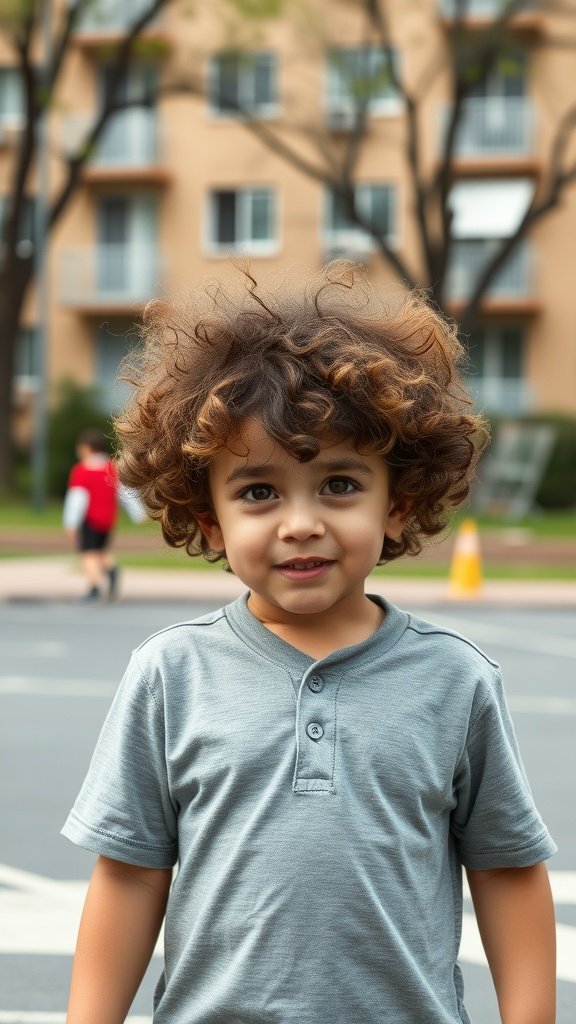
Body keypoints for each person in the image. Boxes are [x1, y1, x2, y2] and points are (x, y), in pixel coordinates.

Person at [62, 265, 557, 1024]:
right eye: (259, 491)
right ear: (212, 518)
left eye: (339, 484)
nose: (300, 522)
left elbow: (507, 871)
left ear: (401, 503)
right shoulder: (171, 673)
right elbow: (130, 876)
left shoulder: (455, 681)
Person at [63, 428, 146, 602]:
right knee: (100, 550)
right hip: (107, 519)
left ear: (87, 448)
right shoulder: (112, 468)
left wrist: (71, 523)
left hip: (90, 519)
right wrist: (139, 513)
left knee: (89, 553)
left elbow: (77, 499)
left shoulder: (82, 471)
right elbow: (126, 493)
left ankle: (93, 587)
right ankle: (111, 570)